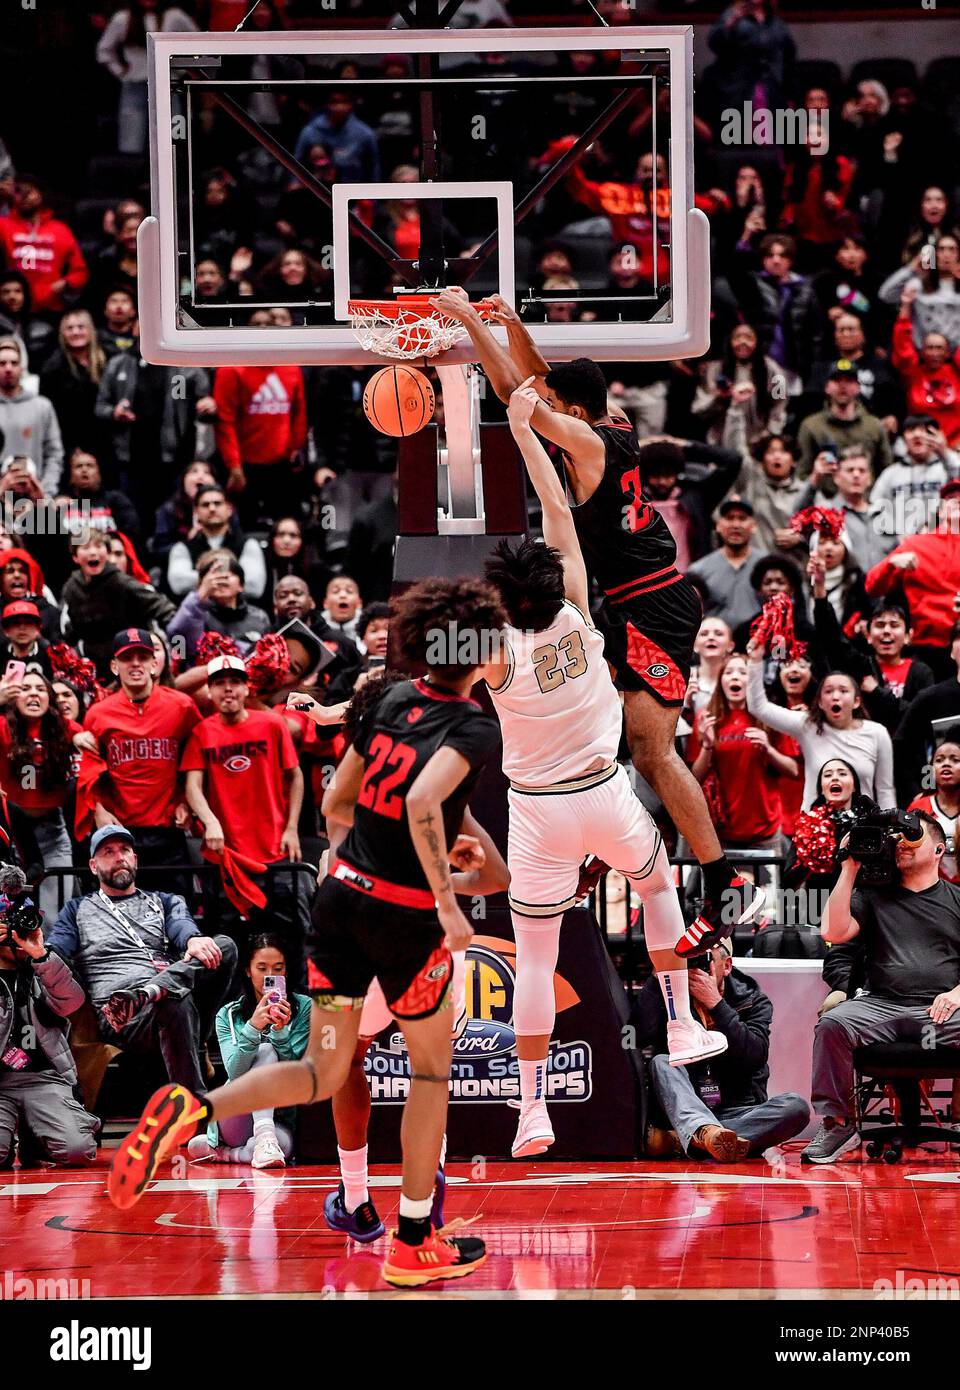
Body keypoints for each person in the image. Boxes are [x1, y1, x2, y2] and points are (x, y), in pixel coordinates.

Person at [109, 578, 506, 1292]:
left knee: (325, 1073)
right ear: (478, 650)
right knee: (429, 1074)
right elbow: (420, 799)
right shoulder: (473, 723)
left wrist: (426, 848)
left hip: (337, 901)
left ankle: (194, 1106)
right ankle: (414, 1240)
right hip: (403, 919)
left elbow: (336, 801)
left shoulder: (387, 698)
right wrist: (445, 899)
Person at [433, 291, 763, 949]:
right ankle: (600, 842)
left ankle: (723, 882)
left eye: (558, 407)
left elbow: (517, 398)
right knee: (597, 723)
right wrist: (507, 326)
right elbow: (531, 385)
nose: (547, 405)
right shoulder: (606, 418)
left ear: (573, 414)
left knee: (651, 750)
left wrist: (469, 322)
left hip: (652, 605)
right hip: (626, 602)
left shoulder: (585, 439)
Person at [482, 382, 730, 1159]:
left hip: (534, 814)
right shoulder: (584, 619)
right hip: (602, 797)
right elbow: (557, 514)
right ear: (554, 586)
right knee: (658, 887)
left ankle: (530, 1111)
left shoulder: (491, 656)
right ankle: (684, 1022)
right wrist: (525, 431)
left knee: (535, 960)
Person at [803, 812, 960, 1163]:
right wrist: (849, 868)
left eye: (911, 838)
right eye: (896, 839)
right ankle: (839, 1123)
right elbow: (832, 932)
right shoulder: (873, 896)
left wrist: (956, 993)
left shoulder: (956, 899)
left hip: (941, 1010)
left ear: (938, 850)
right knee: (833, 1025)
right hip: (881, 1005)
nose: (900, 843)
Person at [46, 824, 236, 1095]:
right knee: (174, 998)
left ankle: (151, 992)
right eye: (108, 852)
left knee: (224, 946)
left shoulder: (166, 901)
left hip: (172, 1001)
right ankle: (195, 1107)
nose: (119, 857)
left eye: (125, 850)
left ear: (135, 859)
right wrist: (36, 950)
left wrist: (193, 939)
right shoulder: (77, 909)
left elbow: (182, 927)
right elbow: (57, 950)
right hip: (122, 1014)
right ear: (92, 865)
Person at [638, 939, 809, 1161]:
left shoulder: (753, 1000)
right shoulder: (670, 993)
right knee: (662, 1062)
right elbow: (637, 1035)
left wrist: (716, 1005)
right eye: (690, 960)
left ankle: (684, 1140)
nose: (695, 968)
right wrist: (658, 976)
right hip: (687, 1104)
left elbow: (754, 1056)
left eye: (704, 960)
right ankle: (706, 1134)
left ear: (726, 965)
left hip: (738, 1109)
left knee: (796, 1108)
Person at [182, 655, 305, 961]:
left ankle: (288, 1005)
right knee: (227, 942)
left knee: (283, 941)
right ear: (209, 692)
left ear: (247, 688)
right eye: (220, 684)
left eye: (235, 682)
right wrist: (210, 821)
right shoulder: (202, 732)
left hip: (274, 850)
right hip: (227, 856)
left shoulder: (273, 724)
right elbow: (192, 785)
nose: (228, 690)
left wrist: (292, 828)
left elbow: (295, 775)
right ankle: (233, 1007)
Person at [80, 629, 201, 880]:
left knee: (175, 912)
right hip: (119, 832)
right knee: (121, 914)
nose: (135, 664)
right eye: (127, 658)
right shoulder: (99, 713)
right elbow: (89, 770)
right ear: (114, 666)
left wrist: (186, 802)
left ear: (154, 663)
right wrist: (97, 810)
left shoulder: (182, 706)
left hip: (168, 828)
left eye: (143, 657)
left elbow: (197, 755)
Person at [187, 934, 309, 1169]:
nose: (269, 976)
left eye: (278, 968)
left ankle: (228, 1153)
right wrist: (253, 1028)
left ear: (286, 972)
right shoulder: (228, 1014)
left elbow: (296, 1072)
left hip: (283, 1116)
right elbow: (235, 1071)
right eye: (262, 968)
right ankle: (260, 1139)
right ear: (248, 971)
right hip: (237, 1110)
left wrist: (281, 1033)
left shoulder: (304, 1008)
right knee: (265, 1051)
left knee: (284, 1147)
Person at [0, 882, 100, 1169]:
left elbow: (71, 1002)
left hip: (45, 1079)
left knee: (78, 1151)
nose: (17, 931)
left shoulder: (44, 963)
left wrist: (39, 954)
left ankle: (37, 1135)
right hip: (1, 1083)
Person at [746, 646, 895, 810]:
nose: (835, 696)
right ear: (820, 702)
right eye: (829, 691)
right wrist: (755, 660)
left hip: (862, 829)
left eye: (843, 691)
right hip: (814, 829)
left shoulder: (877, 733)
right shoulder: (807, 725)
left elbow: (885, 790)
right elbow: (758, 707)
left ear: (856, 701)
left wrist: (889, 829)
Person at [0, 672, 94, 917]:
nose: (33, 693)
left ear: (49, 699)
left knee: (56, 908)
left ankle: (49, 954)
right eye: (25, 688)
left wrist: (81, 736)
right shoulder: (2, 725)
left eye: (41, 689)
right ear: (13, 697)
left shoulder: (62, 727)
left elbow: (84, 736)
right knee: (11, 907)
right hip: (11, 833)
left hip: (52, 829)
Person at [686, 653, 795, 861]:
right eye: (728, 672)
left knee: (769, 893)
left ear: (753, 681)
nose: (735, 677)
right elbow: (694, 779)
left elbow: (793, 770)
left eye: (743, 672)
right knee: (725, 894)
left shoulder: (770, 716)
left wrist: (768, 749)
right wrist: (707, 746)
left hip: (766, 830)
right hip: (720, 832)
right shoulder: (706, 718)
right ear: (721, 682)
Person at [866, 480, 960, 679]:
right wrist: (891, 563)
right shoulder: (916, 544)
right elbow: (872, 587)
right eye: (952, 499)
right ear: (940, 511)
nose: (958, 502)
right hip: (924, 649)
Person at [60, 530, 175, 679]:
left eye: (98, 546)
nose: (93, 552)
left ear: (107, 554)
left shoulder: (122, 582)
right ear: (75, 557)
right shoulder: (71, 588)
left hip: (130, 662)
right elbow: (75, 628)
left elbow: (165, 609)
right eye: (86, 547)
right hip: (95, 668)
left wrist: (177, 645)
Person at [95, 1, 198, 156]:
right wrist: (121, 72)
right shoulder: (123, 19)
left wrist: (181, 70)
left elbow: (197, 42)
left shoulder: (174, 17)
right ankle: (135, 176)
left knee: (173, 139)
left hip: (167, 86)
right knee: (131, 139)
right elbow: (104, 50)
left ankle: (175, 175)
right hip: (135, 85)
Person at [213, 361, 308, 527]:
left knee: (286, 526)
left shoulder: (291, 367)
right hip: (244, 467)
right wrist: (234, 466)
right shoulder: (231, 369)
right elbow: (225, 422)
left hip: (282, 465)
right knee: (243, 525)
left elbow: (298, 412)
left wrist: (295, 448)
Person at [634, 436, 742, 571]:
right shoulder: (634, 501)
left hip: (691, 580)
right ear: (646, 476)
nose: (662, 482)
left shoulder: (696, 498)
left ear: (676, 474)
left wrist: (687, 445)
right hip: (649, 581)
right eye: (656, 476)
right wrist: (638, 447)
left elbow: (733, 460)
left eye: (667, 475)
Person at [0, 174, 88, 316]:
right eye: (19, 192)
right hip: (10, 307)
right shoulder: (4, 225)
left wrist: (63, 284)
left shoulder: (60, 229)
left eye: (30, 191)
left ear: (41, 194)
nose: (24, 197)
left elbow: (80, 272)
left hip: (50, 308)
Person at [692, 324, 789, 451]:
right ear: (729, 342)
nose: (743, 342)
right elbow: (699, 409)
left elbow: (780, 404)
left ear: (757, 342)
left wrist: (769, 435)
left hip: (758, 442)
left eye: (748, 338)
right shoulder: (714, 370)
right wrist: (720, 397)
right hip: (720, 441)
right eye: (737, 337)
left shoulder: (775, 371)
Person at [166, 553, 271, 665]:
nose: (221, 579)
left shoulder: (259, 616)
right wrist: (199, 597)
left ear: (241, 586)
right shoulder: (195, 613)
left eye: (229, 574)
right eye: (214, 575)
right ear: (203, 584)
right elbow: (176, 636)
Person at [166, 483, 267, 600]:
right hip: (199, 614)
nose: (212, 508)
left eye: (217, 503)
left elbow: (254, 587)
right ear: (196, 512)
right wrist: (231, 579)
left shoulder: (248, 544)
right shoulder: (182, 548)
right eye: (205, 505)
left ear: (229, 509)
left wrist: (207, 582)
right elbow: (179, 584)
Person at [797, 363, 895, 477]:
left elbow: (887, 473)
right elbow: (802, 473)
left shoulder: (874, 426)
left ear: (858, 388)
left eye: (849, 381)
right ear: (827, 387)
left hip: (866, 493)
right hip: (824, 494)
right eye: (837, 380)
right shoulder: (811, 426)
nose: (843, 386)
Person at [687, 497, 769, 632]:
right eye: (729, 518)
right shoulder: (698, 570)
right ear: (718, 525)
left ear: (753, 526)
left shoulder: (770, 566)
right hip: (715, 645)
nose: (736, 525)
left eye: (742, 518)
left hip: (760, 641)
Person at [871, 417, 960, 541]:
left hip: (944, 543)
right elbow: (874, 509)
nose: (917, 435)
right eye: (911, 430)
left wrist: (944, 451)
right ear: (903, 438)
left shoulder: (947, 468)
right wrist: (895, 537)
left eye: (925, 431)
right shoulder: (891, 473)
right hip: (903, 546)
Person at [39, 311, 108, 459]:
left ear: (91, 330)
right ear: (62, 333)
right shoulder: (52, 368)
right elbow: (49, 413)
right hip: (68, 443)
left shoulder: (107, 360)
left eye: (81, 327)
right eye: (69, 328)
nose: (75, 332)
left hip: (106, 440)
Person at [0, 339, 63, 496]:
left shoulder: (42, 406)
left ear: (22, 368)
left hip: (35, 497)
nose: (8, 368)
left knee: (40, 522)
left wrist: (45, 491)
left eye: (14, 363)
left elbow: (54, 454)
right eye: (2, 363)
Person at [730, 434, 809, 555]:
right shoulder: (752, 484)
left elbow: (826, 533)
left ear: (793, 461)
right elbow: (736, 449)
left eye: (783, 452)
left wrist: (801, 539)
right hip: (758, 565)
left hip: (794, 567)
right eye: (770, 452)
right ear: (762, 461)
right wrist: (736, 414)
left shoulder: (806, 492)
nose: (777, 456)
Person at [293, 90, 381, 182]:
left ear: (351, 104)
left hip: (352, 189)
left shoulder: (365, 133)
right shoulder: (310, 131)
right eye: (334, 102)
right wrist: (295, 185)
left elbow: (373, 168)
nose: (339, 107)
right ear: (327, 104)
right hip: (317, 188)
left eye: (344, 102)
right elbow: (296, 164)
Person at [909, 733, 960, 885]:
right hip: (930, 892)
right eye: (939, 760)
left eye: (955, 759)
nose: (946, 764)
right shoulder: (918, 808)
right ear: (930, 770)